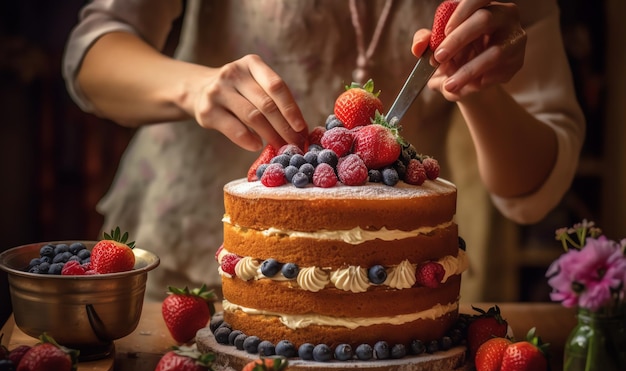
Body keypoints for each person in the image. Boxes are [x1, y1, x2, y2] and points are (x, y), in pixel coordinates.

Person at [62, 0, 585, 301]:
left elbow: (532, 195)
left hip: (376, 292)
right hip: (184, 266)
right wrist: (194, 87)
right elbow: (92, 56)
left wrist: (480, 83)